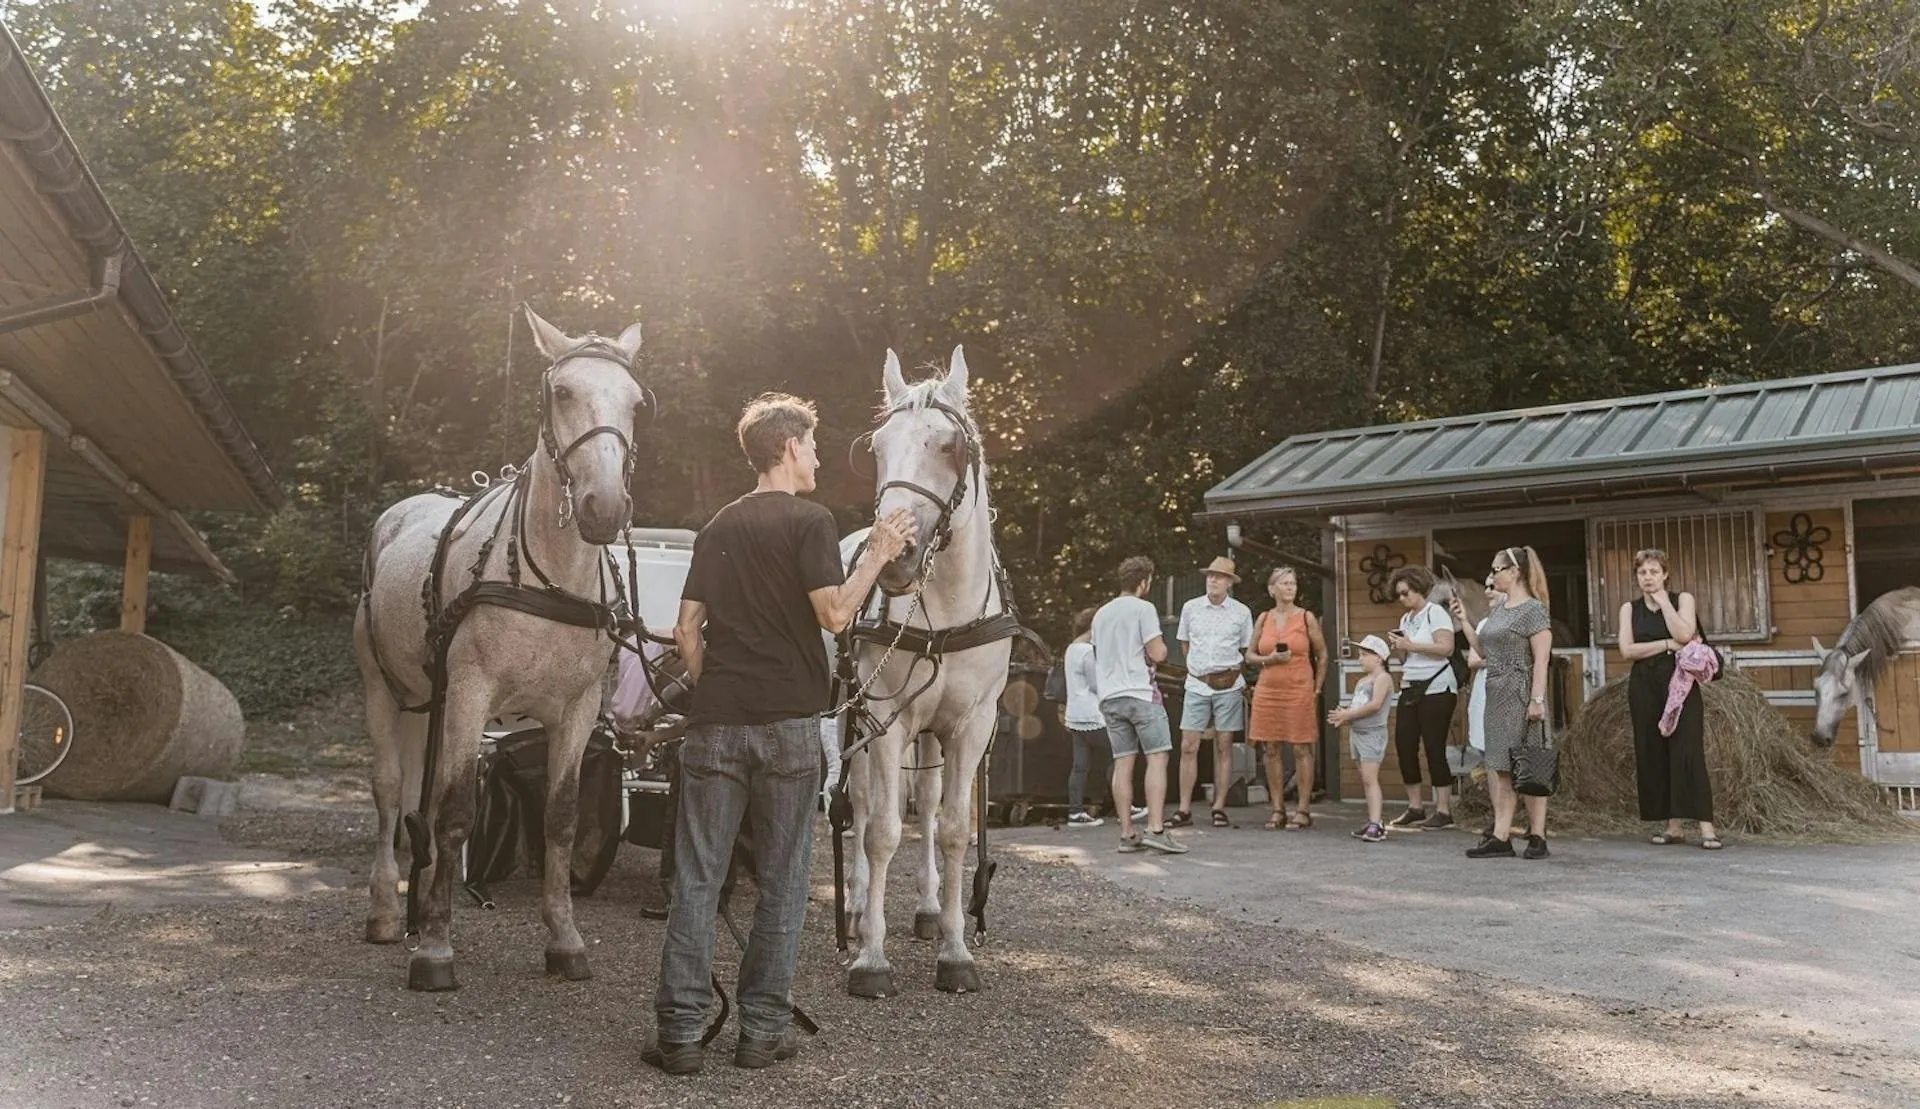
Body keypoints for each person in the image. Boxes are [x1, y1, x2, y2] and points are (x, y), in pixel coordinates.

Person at [646, 393, 914, 1075]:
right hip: (790, 727)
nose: (820, 456)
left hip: (716, 724)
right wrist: (879, 552)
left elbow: (684, 630)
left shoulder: (717, 526)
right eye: (815, 445)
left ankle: (678, 1034)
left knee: (698, 879)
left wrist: (715, 687)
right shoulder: (811, 521)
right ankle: (760, 1031)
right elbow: (834, 614)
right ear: (789, 447)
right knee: (783, 881)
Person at [1619, 548, 1721, 849]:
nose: (1648, 578)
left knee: (1687, 750)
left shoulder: (1682, 600)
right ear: (1636, 577)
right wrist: (1665, 643)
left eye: (1653, 572)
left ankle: (1706, 827)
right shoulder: (1629, 608)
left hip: (1680, 682)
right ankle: (1672, 826)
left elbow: (1686, 634)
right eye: (1642, 572)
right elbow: (1627, 650)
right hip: (1644, 684)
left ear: (1665, 574)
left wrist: (1664, 603)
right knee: (1655, 752)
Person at [1092, 556, 1188, 855]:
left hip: (1110, 697)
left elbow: (1097, 654)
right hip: (1141, 694)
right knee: (1157, 758)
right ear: (1143, 581)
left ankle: (1126, 834)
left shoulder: (1101, 614)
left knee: (1123, 763)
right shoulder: (1143, 609)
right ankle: (1156, 829)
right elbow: (1158, 653)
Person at [1466, 546, 1555, 860]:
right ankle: (1501, 836)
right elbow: (1484, 649)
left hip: (1521, 689)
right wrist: (1464, 620)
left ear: (1515, 571)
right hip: (1496, 690)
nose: (1492, 576)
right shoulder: (1499, 610)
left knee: (1527, 763)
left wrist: (1537, 699)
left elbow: (1542, 659)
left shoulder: (1533, 610)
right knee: (1500, 766)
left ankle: (1538, 836)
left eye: (1496, 569)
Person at [1172, 557, 1254, 828]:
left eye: (1219, 576)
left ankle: (1219, 806)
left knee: (1224, 745)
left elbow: (1245, 650)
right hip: (1196, 683)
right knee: (1188, 745)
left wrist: (1224, 673)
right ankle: (1184, 808)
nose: (1213, 580)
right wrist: (1200, 670)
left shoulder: (1241, 612)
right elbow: (1184, 644)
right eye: (1210, 575)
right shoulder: (1191, 608)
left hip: (1228, 684)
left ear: (1229, 582)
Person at [1246, 566, 1326, 829]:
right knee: (1271, 747)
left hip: (1299, 687)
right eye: (1284, 583)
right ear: (1272, 589)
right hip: (1268, 689)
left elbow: (1322, 655)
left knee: (1301, 746)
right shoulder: (1264, 618)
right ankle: (1277, 809)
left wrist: (1316, 689)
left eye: (1293, 583)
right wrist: (1269, 659)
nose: (1290, 587)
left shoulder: (1306, 617)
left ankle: (1303, 810)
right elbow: (1249, 656)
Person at [1384, 566, 1458, 831]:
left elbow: (1445, 648)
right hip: (1410, 684)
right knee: (1404, 744)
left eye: (1406, 593)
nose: (1402, 598)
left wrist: (1411, 645)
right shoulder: (1406, 619)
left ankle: (1443, 809)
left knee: (1434, 747)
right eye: (1399, 594)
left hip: (1437, 686)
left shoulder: (1435, 613)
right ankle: (1415, 806)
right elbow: (1408, 656)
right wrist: (1400, 648)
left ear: (1419, 589)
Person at [1329, 634, 1394, 842]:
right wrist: (1344, 715)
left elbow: (1375, 705)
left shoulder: (1382, 678)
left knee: (1370, 778)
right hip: (1357, 733)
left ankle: (1377, 823)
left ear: (1379, 658)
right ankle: (1372, 819)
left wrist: (1348, 715)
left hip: (1372, 734)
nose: (1360, 659)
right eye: (1360, 654)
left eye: (1365, 655)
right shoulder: (1361, 681)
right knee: (1365, 780)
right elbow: (1358, 708)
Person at [1062, 607, 1110, 826]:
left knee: (1079, 766)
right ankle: (1125, 806)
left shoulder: (1070, 649)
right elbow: (1095, 684)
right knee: (1120, 756)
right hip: (1094, 714)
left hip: (1075, 714)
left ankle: (1075, 812)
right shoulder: (1087, 651)